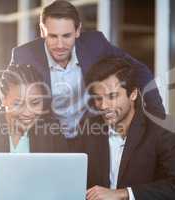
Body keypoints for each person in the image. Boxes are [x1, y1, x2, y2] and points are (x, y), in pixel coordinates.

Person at [9, 0, 164, 138]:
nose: (60, 45)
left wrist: (158, 115)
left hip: (90, 134)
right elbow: (7, 96)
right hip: (48, 137)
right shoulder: (24, 55)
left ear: (77, 31)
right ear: (42, 31)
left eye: (66, 36)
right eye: (53, 36)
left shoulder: (95, 44)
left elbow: (140, 70)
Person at [82, 57, 175, 200]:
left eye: (112, 96)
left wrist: (124, 193)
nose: (103, 106)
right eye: (98, 98)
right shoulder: (87, 129)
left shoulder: (162, 129)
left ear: (133, 94)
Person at [0, 64, 62, 200]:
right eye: (18, 104)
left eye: (35, 103)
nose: (27, 113)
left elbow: (59, 178)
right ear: (3, 100)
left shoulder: (51, 129)